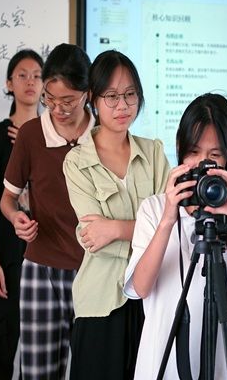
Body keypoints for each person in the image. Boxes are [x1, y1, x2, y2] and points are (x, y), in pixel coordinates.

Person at [123, 93, 227, 379]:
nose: (202, 163)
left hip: (225, 363)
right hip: (164, 361)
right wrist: (168, 218)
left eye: (214, 155)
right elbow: (140, 288)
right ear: (180, 149)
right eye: (194, 152)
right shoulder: (154, 209)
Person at [63, 49, 170, 379]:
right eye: (111, 96)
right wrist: (147, 231)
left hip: (152, 299)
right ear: (93, 99)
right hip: (99, 303)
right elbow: (94, 239)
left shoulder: (154, 153)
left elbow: (172, 223)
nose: (122, 105)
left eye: (130, 94)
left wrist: (115, 229)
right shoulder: (77, 162)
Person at [0, 43, 95, 380]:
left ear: (87, 94)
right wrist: (16, 218)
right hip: (41, 270)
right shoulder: (31, 134)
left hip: (94, 271)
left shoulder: (104, 136)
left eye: (68, 100)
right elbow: (7, 199)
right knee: (38, 372)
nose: (58, 109)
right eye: (50, 99)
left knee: (91, 370)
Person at [0, 49, 43, 380]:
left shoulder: (53, 135)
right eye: (22, 75)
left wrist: (31, 146)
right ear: (9, 83)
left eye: (37, 76)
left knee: (40, 346)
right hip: (6, 253)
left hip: (44, 252)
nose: (30, 82)